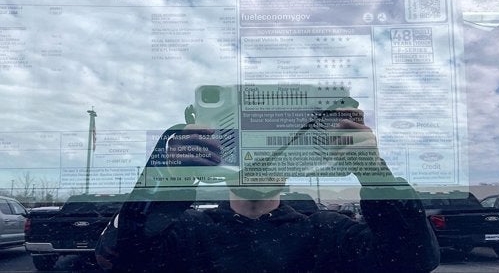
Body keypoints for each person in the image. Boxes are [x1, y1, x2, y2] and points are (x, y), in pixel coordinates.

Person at [96, 108, 440, 273]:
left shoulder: (328, 232)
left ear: (290, 166)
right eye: (244, 151)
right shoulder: (185, 230)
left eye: (272, 151)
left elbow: (414, 259)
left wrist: (374, 172)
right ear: (220, 162)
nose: (258, 161)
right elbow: (118, 257)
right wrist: (170, 176)